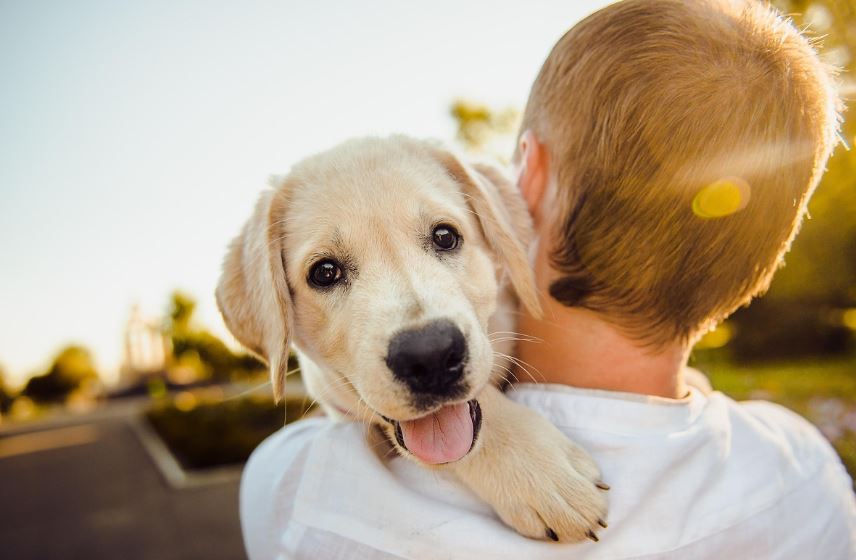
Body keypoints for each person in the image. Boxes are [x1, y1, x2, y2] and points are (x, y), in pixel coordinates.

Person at [240, 0, 856, 558]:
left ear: (526, 177)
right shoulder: (806, 477)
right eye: (328, 272)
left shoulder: (301, 495)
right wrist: (489, 435)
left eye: (445, 238)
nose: (422, 335)